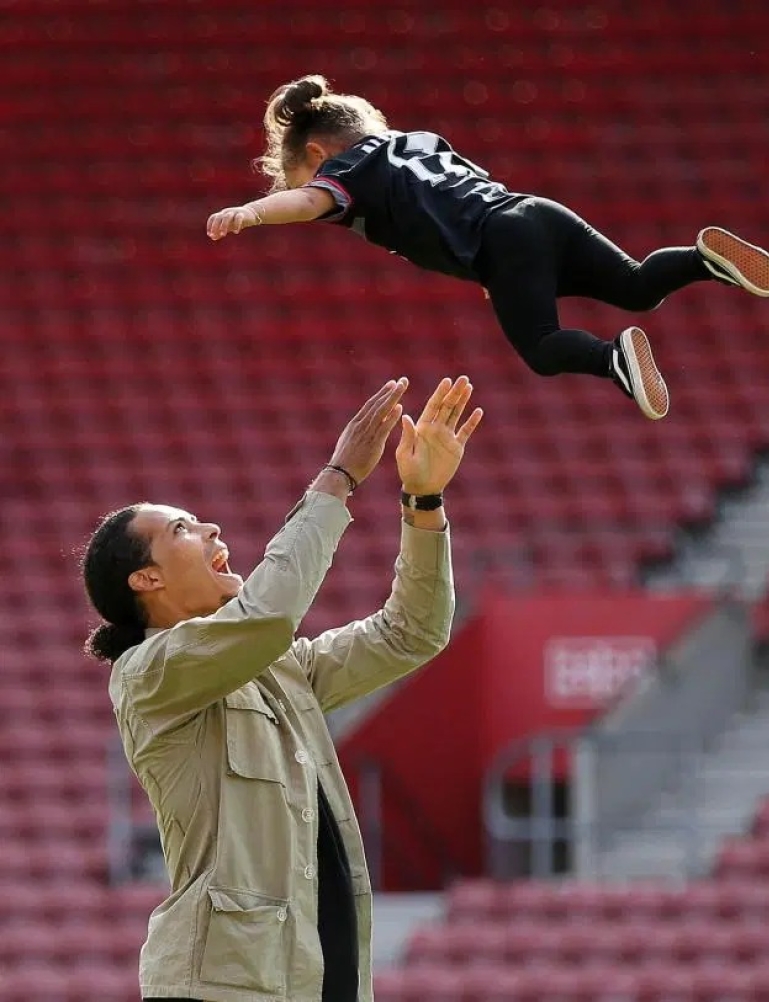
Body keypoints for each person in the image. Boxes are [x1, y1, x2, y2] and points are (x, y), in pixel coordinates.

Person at [82, 375, 483, 1002]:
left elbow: (412, 633)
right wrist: (338, 479)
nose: (212, 528)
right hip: (222, 986)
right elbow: (269, 615)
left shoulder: (276, 669)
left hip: (317, 979)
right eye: (184, 528)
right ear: (147, 579)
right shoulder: (147, 675)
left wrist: (423, 500)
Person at [206, 74, 769, 422]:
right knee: (636, 285)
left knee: (541, 347)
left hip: (500, 241)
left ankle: (613, 360)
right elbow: (456, 197)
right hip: (535, 212)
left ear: (315, 156)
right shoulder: (418, 141)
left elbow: (309, 203)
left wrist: (251, 212)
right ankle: (703, 260)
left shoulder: (347, 171)